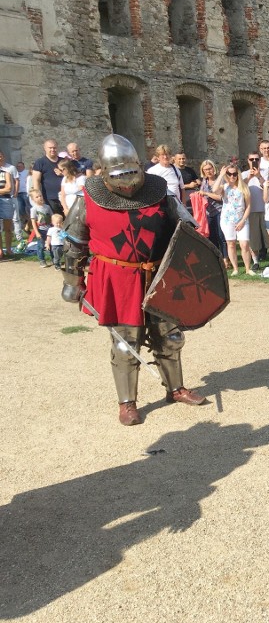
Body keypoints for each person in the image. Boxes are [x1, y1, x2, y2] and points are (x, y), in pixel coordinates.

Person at [60, 134, 207, 426]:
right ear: (102, 170)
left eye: (131, 171)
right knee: (125, 343)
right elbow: (73, 245)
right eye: (119, 174)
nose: (127, 181)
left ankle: (175, 389)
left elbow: (187, 231)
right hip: (118, 279)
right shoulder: (87, 199)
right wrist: (72, 282)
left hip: (158, 275)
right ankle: (127, 402)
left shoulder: (161, 193)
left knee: (170, 336)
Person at [213, 163, 253, 276]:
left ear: (238, 174)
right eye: (229, 174)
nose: (232, 176)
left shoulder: (244, 187)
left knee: (244, 244)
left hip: (242, 219)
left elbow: (248, 206)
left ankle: (247, 268)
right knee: (230, 244)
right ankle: (235, 268)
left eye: (234, 174)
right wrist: (221, 175)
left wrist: (243, 221)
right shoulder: (224, 187)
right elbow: (215, 190)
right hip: (227, 220)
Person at [198, 160, 228, 269]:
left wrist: (206, 193)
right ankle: (217, 259)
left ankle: (225, 259)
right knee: (212, 237)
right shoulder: (204, 181)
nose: (208, 171)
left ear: (213, 168)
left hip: (220, 211)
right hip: (208, 212)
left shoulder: (221, 180)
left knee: (221, 236)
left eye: (210, 168)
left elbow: (220, 198)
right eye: (206, 169)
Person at [241, 152, 268, 270]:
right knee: (253, 238)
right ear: (248, 160)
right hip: (250, 211)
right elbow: (240, 189)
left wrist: (258, 176)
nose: (254, 161)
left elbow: (268, 186)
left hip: (266, 210)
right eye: (251, 159)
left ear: (260, 160)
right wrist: (249, 177)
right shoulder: (243, 174)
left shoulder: (265, 172)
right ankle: (255, 261)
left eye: (256, 159)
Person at [32, 139, 63, 215]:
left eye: (54, 148)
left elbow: (72, 176)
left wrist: (62, 174)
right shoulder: (40, 162)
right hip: (49, 198)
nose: (53, 150)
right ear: (45, 148)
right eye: (50, 148)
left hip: (64, 196)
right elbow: (36, 180)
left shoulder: (63, 161)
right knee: (55, 220)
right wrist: (37, 196)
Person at [29, 189, 51, 267]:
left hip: (48, 229)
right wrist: (37, 232)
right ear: (33, 199)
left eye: (40, 196)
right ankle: (42, 260)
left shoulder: (47, 207)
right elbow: (33, 222)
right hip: (40, 230)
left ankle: (55, 259)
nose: (39, 198)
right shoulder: (34, 209)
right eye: (37, 197)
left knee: (51, 244)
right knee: (41, 246)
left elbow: (51, 217)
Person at [0, 157, 15, 258]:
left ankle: (9, 249)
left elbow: (9, 188)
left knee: (8, 227)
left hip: (6, 200)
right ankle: (0, 250)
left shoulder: (6, 172)